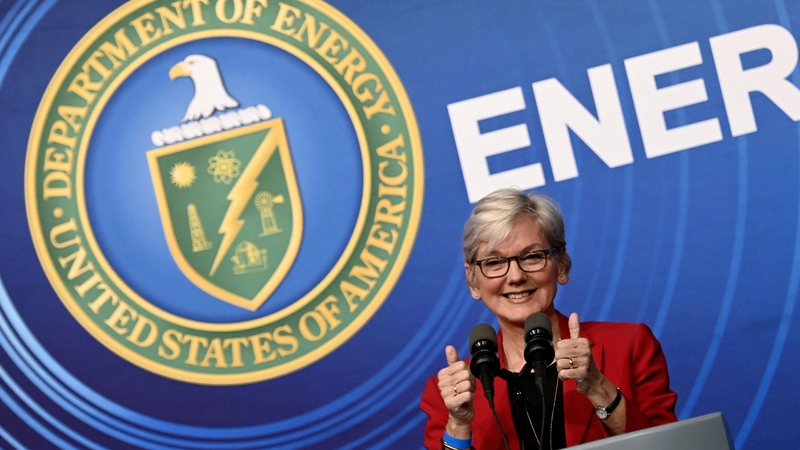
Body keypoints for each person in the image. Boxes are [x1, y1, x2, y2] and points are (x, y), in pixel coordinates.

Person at [420, 187, 677, 449]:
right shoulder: (450, 392)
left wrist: (597, 387)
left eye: (532, 256)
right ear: (473, 280)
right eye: (495, 262)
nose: (516, 276)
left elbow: (671, 447)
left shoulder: (628, 347)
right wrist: (459, 424)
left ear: (562, 264)